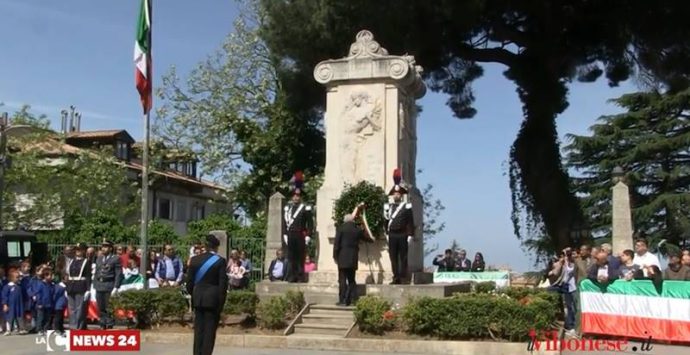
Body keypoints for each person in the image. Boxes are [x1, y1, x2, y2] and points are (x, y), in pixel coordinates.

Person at [186, 234, 229, 355]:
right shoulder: (220, 261)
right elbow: (222, 285)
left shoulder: (194, 260)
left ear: (205, 246)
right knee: (209, 332)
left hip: (198, 299)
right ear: (216, 247)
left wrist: (194, 294)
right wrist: (221, 303)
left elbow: (189, 283)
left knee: (198, 331)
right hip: (212, 300)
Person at [383, 169, 415, 284]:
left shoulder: (406, 206)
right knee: (393, 257)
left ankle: (403, 277)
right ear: (393, 195)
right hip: (392, 234)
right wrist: (386, 233)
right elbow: (386, 221)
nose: (396, 195)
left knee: (403, 257)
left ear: (401, 195)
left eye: (398, 193)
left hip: (402, 234)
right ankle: (395, 277)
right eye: (395, 194)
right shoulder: (388, 207)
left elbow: (410, 222)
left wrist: (410, 235)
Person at [282, 171, 314, 283]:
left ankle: (300, 277)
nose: (296, 197)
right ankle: (291, 276)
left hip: (300, 234)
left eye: (298, 195)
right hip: (290, 234)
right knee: (291, 257)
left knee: (300, 256)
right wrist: (285, 234)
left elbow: (310, 223)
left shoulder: (305, 208)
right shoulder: (288, 208)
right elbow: (285, 223)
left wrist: (309, 235)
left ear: (300, 197)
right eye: (294, 195)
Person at [333, 213, 369, 306]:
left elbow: (336, 244)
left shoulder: (340, 228)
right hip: (353, 257)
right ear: (353, 221)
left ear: (345, 220)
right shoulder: (357, 230)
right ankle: (353, 299)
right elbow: (366, 238)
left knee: (342, 279)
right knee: (351, 279)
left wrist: (335, 256)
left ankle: (343, 300)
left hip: (342, 257)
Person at [546, 248, 578, 338]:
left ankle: (572, 326)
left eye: (569, 255)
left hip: (572, 287)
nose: (567, 256)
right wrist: (561, 262)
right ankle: (567, 324)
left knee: (572, 307)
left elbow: (570, 270)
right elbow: (555, 272)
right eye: (566, 255)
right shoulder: (560, 263)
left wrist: (567, 259)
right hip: (562, 286)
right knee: (564, 305)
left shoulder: (574, 264)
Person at [93, 239, 122, 330]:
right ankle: (102, 322)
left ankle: (109, 323)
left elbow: (118, 273)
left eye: (106, 247)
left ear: (110, 248)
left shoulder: (115, 258)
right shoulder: (99, 258)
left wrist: (116, 286)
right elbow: (96, 272)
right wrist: (95, 284)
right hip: (99, 284)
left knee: (108, 306)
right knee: (100, 305)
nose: (103, 249)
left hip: (109, 284)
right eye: (102, 247)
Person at [65, 243, 91, 331]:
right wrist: (66, 287)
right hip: (71, 286)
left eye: (79, 250)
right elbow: (68, 275)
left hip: (81, 286)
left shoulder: (86, 261)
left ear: (83, 251)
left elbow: (88, 276)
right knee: (71, 308)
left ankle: (78, 327)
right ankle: (72, 326)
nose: (78, 251)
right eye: (76, 250)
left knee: (79, 309)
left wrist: (88, 289)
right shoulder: (72, 261)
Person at [1, 270, 25, 335]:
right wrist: (5, 304)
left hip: (18, 305)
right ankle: (8, 330)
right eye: (17, 277)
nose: (18, 279)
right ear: (11, 278)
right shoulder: (7, 287)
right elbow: (4, 296)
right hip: (10, 305)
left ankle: (21, 329)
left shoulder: (19, 286)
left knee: (19, 316)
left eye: (19, 277)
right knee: (9, 317)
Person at [34, 268, 54, 336]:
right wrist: (39, 303)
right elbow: (38, 294)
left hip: (49, 304)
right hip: (41, 304)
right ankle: (39, 329)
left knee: (47, 318)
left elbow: (52, 294)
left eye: (51, 275)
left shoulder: (50, 284)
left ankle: (45, 329)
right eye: (49, 275)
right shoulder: (40, 284)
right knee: (40, 317)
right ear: (45, 276)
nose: (51, 277)